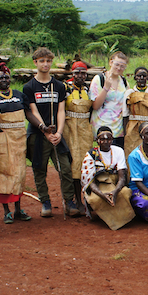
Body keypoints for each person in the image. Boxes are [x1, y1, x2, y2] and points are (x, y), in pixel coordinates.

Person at [23, 47, 76, 218]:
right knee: (39, 169)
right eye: (42, 61)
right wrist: (44, 130)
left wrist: (59, 133)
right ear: (35, 62)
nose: (45, 64)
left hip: (56, 134)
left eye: (48, 61)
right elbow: (32, 111)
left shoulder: (59, 86)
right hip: (38, 134)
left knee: (65, 168)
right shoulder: (29, 87)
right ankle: (45, 202)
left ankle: (69, 201)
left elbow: (61, 111)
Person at [0, 63, 33, 224]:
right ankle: (6, 211)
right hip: (1, 140)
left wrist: (43, 127)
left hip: (19, 139)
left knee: (19, 174)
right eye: (0, 77)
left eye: (6, 77)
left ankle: (18, 209)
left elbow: (28, 114)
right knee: (3, 174)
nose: (4, 80)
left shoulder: (20, 95)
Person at [81, 126, 135, 230]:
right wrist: (102, 195)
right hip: (99, 185)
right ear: (97, 140)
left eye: (109, 139)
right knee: (95, 199)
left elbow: (122, 177)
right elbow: (90, 181)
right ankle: (107, 218)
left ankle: (123, 219)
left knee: (125, 193)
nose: (106, 141)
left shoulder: (118, 151)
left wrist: (115, 192)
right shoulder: (91, 155)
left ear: (112, 140)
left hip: (115, 183)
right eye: (102, 139)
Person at [64, 60, 94, 212]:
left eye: (83, 73)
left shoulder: (89, 89)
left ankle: (88, 198)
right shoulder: (65, 88)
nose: (80, 76)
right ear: (72, 74)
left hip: (85, 130)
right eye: (77, 73)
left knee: (87, 164)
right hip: (70, 129)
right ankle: (76, 200)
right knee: (74, 165)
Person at [90, 51, 129, 148]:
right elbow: (95, 105)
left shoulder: (124, 82)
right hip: (101, 126)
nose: (119, 68)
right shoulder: (99, 79)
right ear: (110, 62)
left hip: (119, 128)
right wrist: (106, 88)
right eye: (117, 64)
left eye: (122, 66)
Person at [123, 66, 148, 159]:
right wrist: (126, 134)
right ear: (135, 77)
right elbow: (125, 115)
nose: (141, 78)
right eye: (139, 76)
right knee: (132, 152)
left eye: (144, 76)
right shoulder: (129, 93)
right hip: (133, 128)